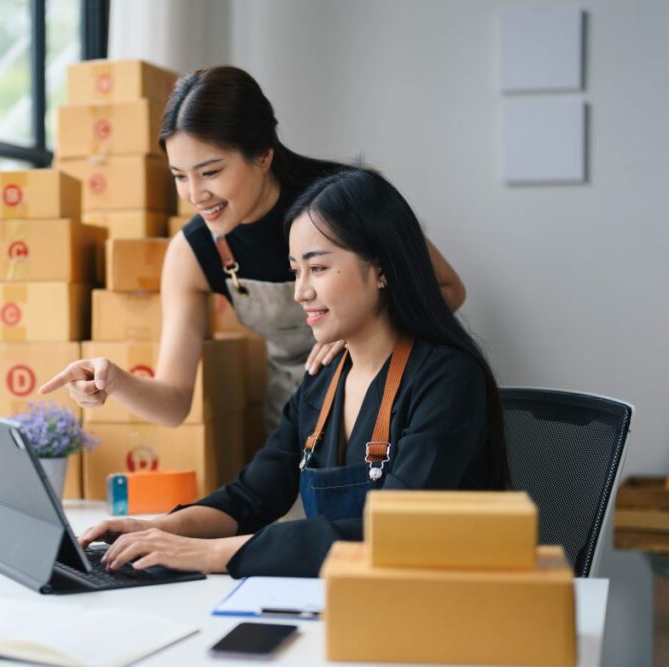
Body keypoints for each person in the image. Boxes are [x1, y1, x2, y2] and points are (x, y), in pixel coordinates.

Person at [75, 168, 510, 578]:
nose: (301, 292)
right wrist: (159, 530)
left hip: (439, 613)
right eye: (295, 271)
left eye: (317, 268)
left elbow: (391, 534)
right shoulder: (323, 379)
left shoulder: (448, 379)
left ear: (381, 269)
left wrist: (209, 553)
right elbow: (252, 496)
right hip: (345, 604)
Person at [40, 66, 466, 433]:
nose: (195, 194)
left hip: (386, 404)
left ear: (263, 154)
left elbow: (449, 288)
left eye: (209, 172)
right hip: (297, 421)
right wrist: (113, 380)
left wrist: (365, 331)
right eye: (180, 176)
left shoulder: (347, 200)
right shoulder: (192, 254)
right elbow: (173, 403)